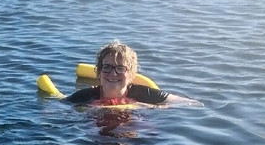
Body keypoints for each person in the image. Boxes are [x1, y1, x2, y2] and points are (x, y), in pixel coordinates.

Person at [63, 41, 198, 107]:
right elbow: (56, 109)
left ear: (131, 74)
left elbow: (192, 104)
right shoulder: (85, 96)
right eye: (107, 67)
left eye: (120, 68)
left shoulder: (144, 94)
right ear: (98, 72)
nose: (113, 73)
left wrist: (148, 107)